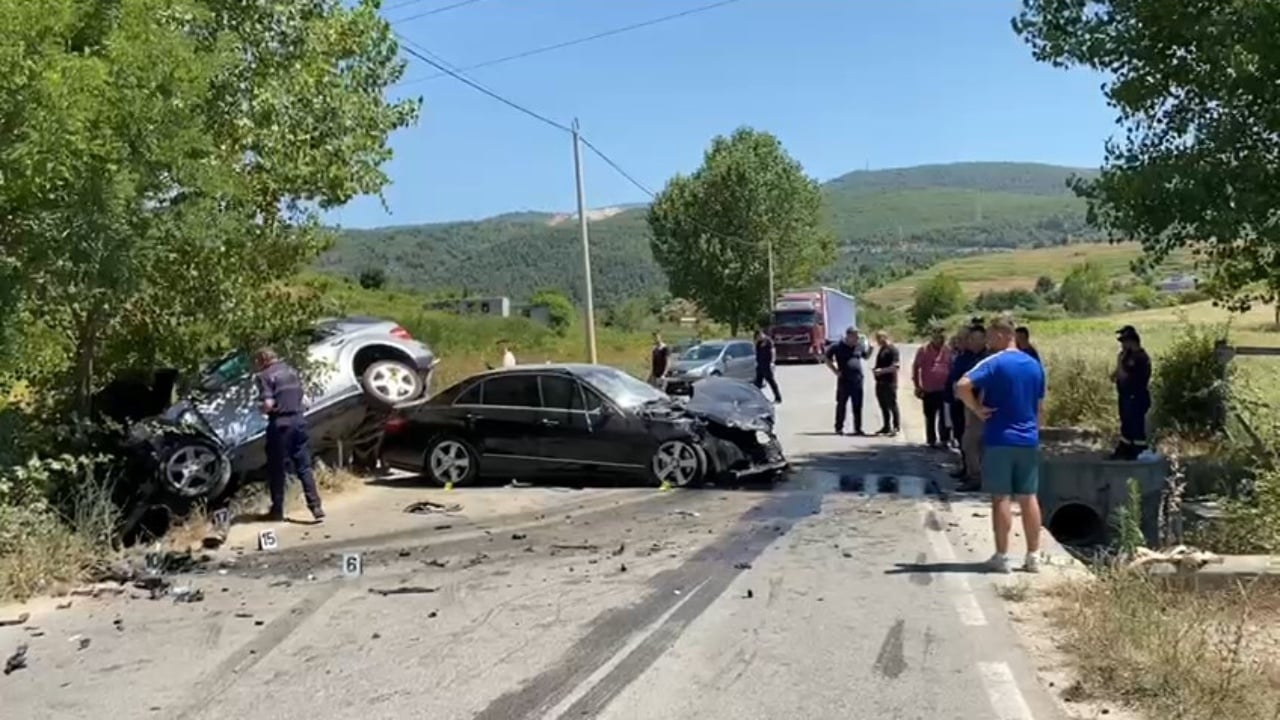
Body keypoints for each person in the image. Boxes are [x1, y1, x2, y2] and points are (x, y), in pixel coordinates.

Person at [954, 317, 1046, 574]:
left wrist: (977, 409)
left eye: (990, 336)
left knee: (1001, 498)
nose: (988, 342)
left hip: (1000, 439)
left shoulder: (994, 362)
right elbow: (1040, 408)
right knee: (1029, 498)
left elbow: (961, 386)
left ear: (1000, 335)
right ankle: (1033, 556)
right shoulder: (1034, 365)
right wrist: (1034, 433)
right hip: (1028, 439)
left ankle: (1003, 556)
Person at [253, 347, 324, 522]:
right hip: (299, 421)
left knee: (277, 469)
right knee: (304, 466)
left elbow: (269, 404)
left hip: (280, 425)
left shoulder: (264, 376)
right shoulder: (292, 371)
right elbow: (304, 399)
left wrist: (260, 407)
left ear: (263, 360)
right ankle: (315, 507)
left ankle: (277, 510)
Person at [952, 324, 989, 490]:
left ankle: (976, 478)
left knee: (972, 442)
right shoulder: (966, 356)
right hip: (968, 404)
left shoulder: (987, 359)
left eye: (976, 339)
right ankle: (972, 473)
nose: (972, 342)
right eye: (970, 339)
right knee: (967, 441)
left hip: (980, 404)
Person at [1111, 325, 1152, 460]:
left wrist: (1120, 363)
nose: (1122, 345)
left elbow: (1127, 376)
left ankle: (1138, 452)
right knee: (1126, 425)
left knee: (1136, 426)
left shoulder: (1139, 358)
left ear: (1132, 341)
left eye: (1124, 342)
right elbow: (1117, 375)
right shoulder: (1127, 356)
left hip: (1136, 396)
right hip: (1125, 396)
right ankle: (1125, 450)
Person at [824, 326, 872, 435]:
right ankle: (839, 427)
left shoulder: (858, 346)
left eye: (857, 336)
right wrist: (835, 371)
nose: (856, 338)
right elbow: (826, 358)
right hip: (844, 379)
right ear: (848, 336)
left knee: (857, 405)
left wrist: (871, 349)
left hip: (858, 379)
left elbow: (865, 357)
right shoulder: (837, 346)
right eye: (854, 336)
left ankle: (858, 428)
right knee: (841, 404)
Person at [913, 326, 954, 448]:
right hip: (929, 389)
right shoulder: (923, 350)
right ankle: (931, 439)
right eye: (937, 337)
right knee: (930, 416)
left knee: (944, 416)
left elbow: (952, 367)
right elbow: (916, 368)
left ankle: (944, 439)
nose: (940, 340)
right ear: (932, 337)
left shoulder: (947, 350)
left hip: (944, 389)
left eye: (942, 337)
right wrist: (917, 385)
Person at [872, 330, 901, 435]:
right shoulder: (882, 349)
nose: (878, 341)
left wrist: (882, 371)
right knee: (883, 405)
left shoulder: (892, 350)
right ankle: (886, 426)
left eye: (880, 338)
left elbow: (895, 367)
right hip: (880, 382)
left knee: (892, 405)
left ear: (885, 337)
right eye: (877, 338)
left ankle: (896, 427)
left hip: (890, 382)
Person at [753, 329, 782, 403]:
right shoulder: (759, 342)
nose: (758, 338)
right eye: (757, 338)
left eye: (759, 336)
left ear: (761, 334)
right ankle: (756, 398)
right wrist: (756, 343)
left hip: (767, 364)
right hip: (760, 365)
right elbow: (756, 352)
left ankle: (778, 397)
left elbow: (773, 351)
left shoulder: (768, 341)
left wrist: (772, 362)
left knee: (771, 381)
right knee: (757, 383)